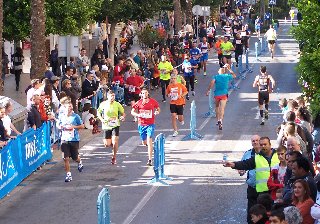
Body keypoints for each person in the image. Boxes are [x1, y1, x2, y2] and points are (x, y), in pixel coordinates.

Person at [57, 99, 84, 182]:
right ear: (65, 108)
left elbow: (82, 126)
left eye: (71, 106)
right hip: (64, 139)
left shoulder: (76, 116)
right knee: (66, 158)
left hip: (74, 139)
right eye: (69, 107)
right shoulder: (61, 116)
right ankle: (68, 175)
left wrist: (74, 127)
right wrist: (60, 127)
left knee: (75, 157)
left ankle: (79, 162)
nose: (70, 108)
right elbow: (58, 124)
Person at [131, 88, 160, 166]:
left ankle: (150, 159)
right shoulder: (139, 102)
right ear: (141, 94)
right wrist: (138, 115)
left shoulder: (153, 101)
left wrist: (157, 111)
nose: (145, 94)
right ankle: (147, 144)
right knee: (144, 142)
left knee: (149, 139)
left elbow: (158, 108)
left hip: (150, 124)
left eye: (146, 93)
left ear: (148, 94)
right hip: (141, 124)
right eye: (143, 93)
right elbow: (132, 111)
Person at [97, 90, 125, 165]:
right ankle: (112, 145)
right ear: (108, 96)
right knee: (107, 144)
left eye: (114, 96)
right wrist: (102, 119)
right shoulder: (103, 104)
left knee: (115, 141)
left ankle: (114, 157)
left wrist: (122, 117)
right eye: (111, 96)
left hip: (115, 124)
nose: (113, 97)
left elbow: (123, 113)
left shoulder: (117, 104)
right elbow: (98, 113)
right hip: (106, 125)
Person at [206, 64, 236, 130]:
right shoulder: (227, 76)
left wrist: (208, 90)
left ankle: (218, 120)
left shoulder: (215, 76)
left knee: (217, 107)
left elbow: (211, 83)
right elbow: (234, 76)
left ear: (219, 72)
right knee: (222, 108)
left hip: (217, 94)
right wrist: (229, 69)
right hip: (224, 94)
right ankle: (221, 121)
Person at [239, 135, 261, 224]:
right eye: (253, 141)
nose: (255, 142)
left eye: (257, 140)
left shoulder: (266, 153)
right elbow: (242, 166)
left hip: (264, 188)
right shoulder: (247, 153)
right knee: (251, 209)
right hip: (252, 186)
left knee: (263, 209)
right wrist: (241, 171)